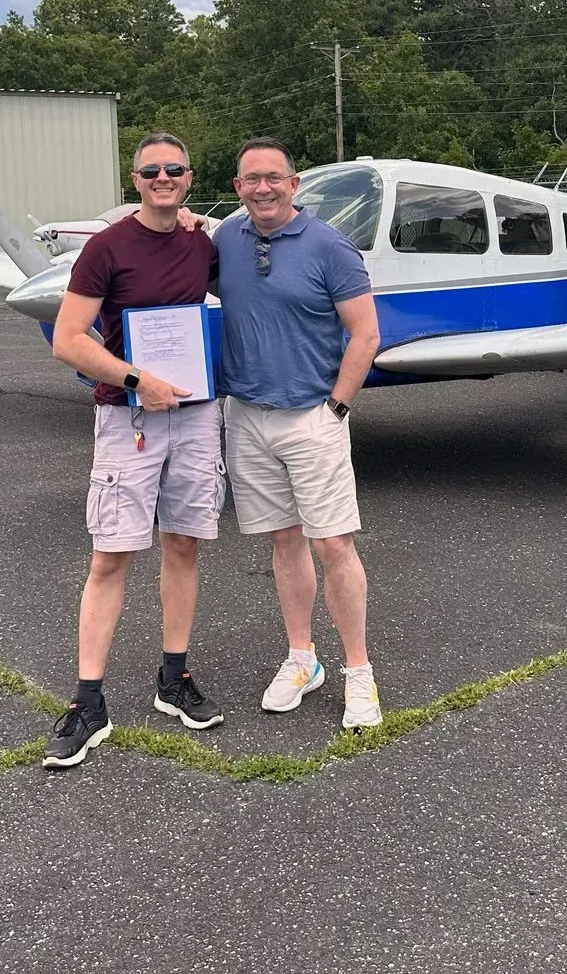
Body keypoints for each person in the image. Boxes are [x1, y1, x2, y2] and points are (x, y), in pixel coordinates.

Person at [42, 132, 224, 768]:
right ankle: (87, 701)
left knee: (184, 543)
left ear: (189, 176)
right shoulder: (105, 247)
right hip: (130, 418)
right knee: (111, 555)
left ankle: (174, 677)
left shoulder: (204, 242)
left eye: (175, 169)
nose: (164, 178)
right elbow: (68, 339)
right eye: (152, 171)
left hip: (198, 415)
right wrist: (135, 379)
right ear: (135, 179)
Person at [215, 138, 384, 729]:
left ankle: (358, 673)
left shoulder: (330, 246)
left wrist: (337, 407)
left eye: (274, 178)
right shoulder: (225, 240)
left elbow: (365, 335)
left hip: (313, 416)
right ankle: (301, 659)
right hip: (246, 415)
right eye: (250, 180)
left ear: (295, 182)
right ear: (237, 187)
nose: (262, 188)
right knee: (284, 542)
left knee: (333, 544)